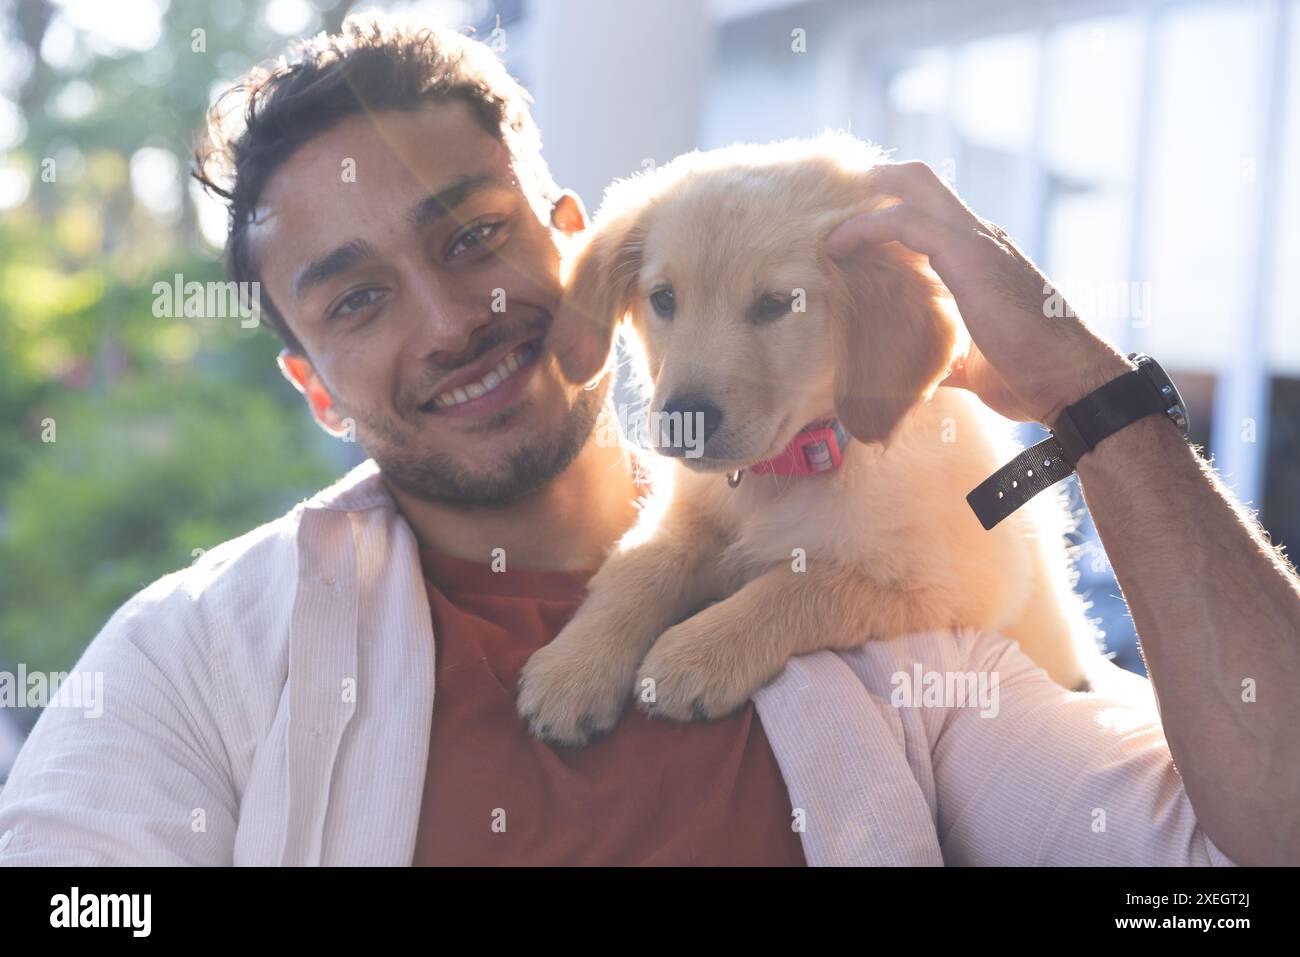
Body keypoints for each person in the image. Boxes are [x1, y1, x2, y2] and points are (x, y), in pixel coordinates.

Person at [0, 14, 1296, 866]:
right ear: (315, 386)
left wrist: (1090, 390)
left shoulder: (898, 638)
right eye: (357, 297)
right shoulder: (196, 657)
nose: (453, 319)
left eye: (472, 237)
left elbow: (1262, 830)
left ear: (578, 253)